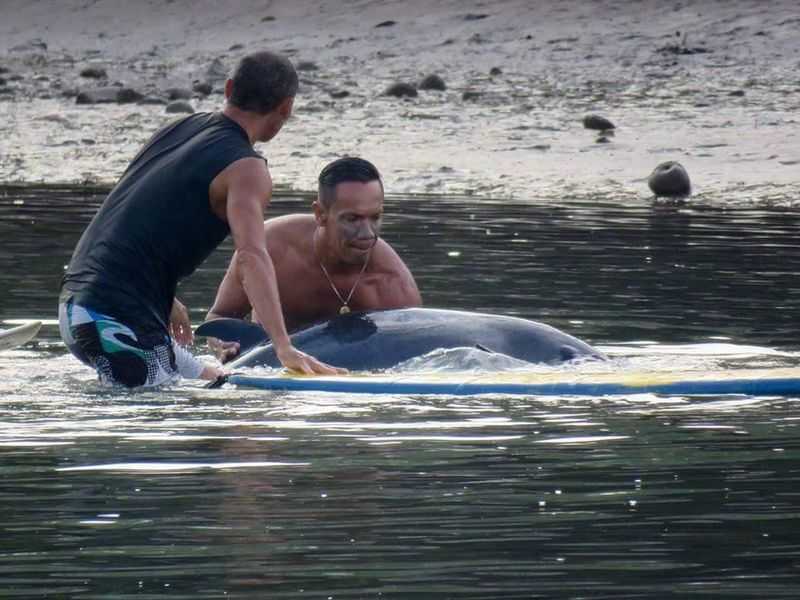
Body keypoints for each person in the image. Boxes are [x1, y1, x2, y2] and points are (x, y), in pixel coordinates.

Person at [58, 50, 342, 388]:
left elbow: (122, 219)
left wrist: (165, 299)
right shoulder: (247, 169)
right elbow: (252, 256)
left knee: (217, 380)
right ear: (287, 108)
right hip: (113, 320)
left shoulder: (180, 127)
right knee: (162, 417)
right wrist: (284, 346)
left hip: (77, 309)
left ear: (228, 89)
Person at [206, 156, 422, 362]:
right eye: (352, 219)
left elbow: (415, 358)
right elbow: (220, 317)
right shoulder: (269, 249)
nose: (367, 233)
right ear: (320, 214)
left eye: (375, 217)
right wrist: (222, 344)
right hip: (270, 371)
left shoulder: (394, 285)